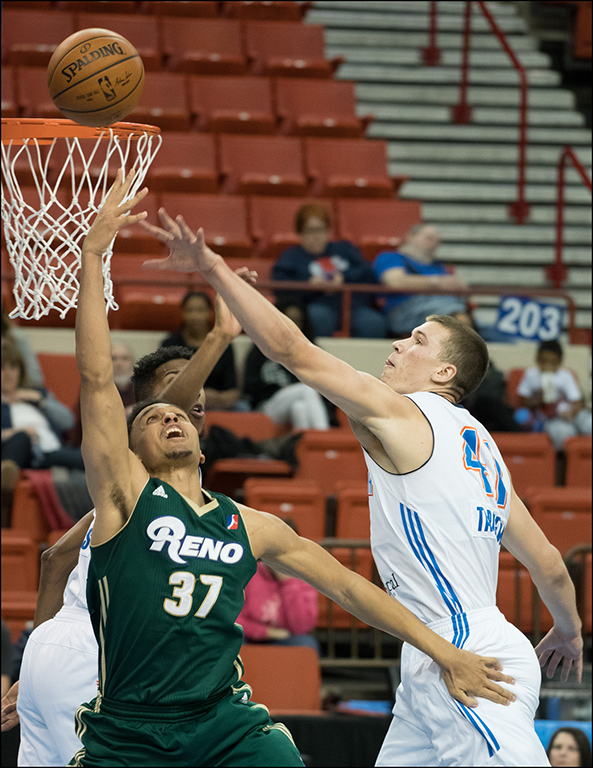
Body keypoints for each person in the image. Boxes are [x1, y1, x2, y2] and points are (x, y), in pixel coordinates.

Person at [70, 172, 516, 766]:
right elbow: (96, 377)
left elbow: (350, 589)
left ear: (203, 448)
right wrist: (93, 257)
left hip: (224, 723)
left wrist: (445, 652)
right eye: (151, 417)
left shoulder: (251, 525)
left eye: (179, 414)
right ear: (130, 453)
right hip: (131, 728)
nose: (170, 416)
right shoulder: (123, 497)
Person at [141, 207, 585, 767]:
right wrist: (568, 632)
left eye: (417, 340)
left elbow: (293, 351)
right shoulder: (486, 455)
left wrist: (213, 267)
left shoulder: (406, 413)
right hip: (436, 651)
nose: (398, 344)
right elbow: (549, 565)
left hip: (466, 653)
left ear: (444, 374)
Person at [2, 303, 247, 766]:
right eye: (180, 381)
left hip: (63, 647)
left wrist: (38, 658)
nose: (194, 392)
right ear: (146, 406)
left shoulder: (145, 491)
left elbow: (55, 560)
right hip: (102, 651)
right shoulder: (136, 462)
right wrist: (218, 339)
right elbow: (165, 400)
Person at [272, 203, 386, 339]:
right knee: (317, 318)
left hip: (352, 307)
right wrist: (309, 285)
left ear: (328, 231)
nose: (316, 236)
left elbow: (368, 273)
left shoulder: (345, 249)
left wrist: (344, 278)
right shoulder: (291, 257)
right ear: (300, 233)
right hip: (316, 305)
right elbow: (280, 288)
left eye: (320, 229)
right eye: (310, 230)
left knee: (373, 323)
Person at [243, 301, 330, 430]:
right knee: (307, 390)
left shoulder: (311, 351)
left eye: (298, 321)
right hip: (268, 405)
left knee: (299, 408)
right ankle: (325, 438)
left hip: (297, 401)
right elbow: (250, 386)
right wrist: (279, 389)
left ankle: (308, 442)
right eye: (289, 320)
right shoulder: (259, 350)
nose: (293, 325)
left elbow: (325, 386)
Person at [1, 338, 84, 475]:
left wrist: (41, 402)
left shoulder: (37, 394)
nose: (8, 374)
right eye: (3, 368)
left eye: (13, 367)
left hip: (50, 451)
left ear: (21, 371)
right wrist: (16, 432)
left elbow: (68, 421)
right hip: (21, 451)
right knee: (22, 437)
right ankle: (6, 475)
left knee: (92, 458)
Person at [237, 519, 320, 654]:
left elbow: (301, 627)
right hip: (249, 637)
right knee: (231, 640)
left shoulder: (304, 577)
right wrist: (266, 632)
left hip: (286, 639)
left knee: (306, 644)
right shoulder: (248, 571)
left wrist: (288, 583)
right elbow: (234, 619)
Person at [373, 223, 468, 336]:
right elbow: (395, 281)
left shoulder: (439, 266)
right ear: (410, 237)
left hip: (446, 307)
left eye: (437, 241)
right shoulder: (391, 257)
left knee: (462, 320)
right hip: (406, 310)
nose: (434, 243)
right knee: (458, 320)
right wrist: (437, 282)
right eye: (429, 238)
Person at [161, 291, 240, 410]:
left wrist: (217, 398)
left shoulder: (223, 345)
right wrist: (199, 395)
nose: (195, 316)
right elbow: (163, 386)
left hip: (218, 405)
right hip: (180, 405)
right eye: (190, 310)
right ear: (183, 312)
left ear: (210, 312)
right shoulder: (170, 344)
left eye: (200, 310)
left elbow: (233, 391)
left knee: (243, 408)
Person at [451, 310, 520, 433]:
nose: (466, 332)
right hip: (456, 404)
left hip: (482, 405)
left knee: (493, 405)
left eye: (468, 327)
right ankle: (520, 437)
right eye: (461, 327)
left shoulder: (481, 355)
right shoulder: (440, 355)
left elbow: (495, 381)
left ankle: (520, 439)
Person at [516, 340, 592, 450]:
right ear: (537, 358)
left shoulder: (565, 376)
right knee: (563, 433)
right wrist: (540, 398)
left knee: (589, 423)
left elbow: (577, 401)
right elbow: (522, 401)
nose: (547, 366)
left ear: (559, 361)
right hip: (550, 420)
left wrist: (571, 412)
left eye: (552, 362)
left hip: (570, 415)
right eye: (544, 361)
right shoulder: (531, 375)